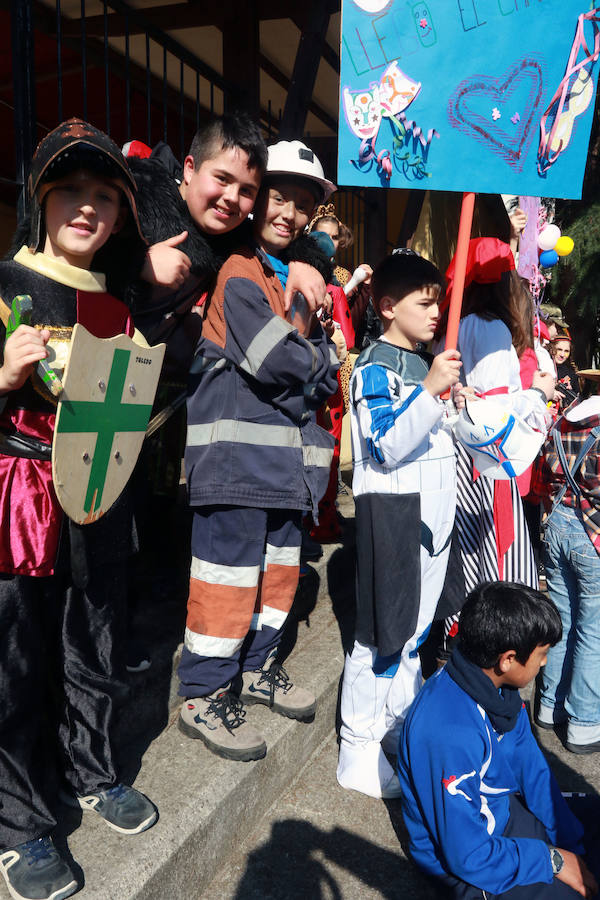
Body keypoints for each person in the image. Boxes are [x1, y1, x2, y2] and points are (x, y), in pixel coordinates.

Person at [0, 119, 158, 900]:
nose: (88, 208)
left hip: (98, 498)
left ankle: (91, 770)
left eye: (106, 197)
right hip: (19, 499)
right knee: (16, 662)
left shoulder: (117, 305)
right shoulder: (3, 285)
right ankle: (21, 823)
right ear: (41, 197)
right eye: (71, 191)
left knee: (94, 641)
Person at [176, 140, 339, 762]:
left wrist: (316, 360)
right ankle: (204, 692)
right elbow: (282, 362)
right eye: (279, 197)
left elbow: (321, 366)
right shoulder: (240, 273)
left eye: (303, 205)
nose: (290, 213)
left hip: (282, 474)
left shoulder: (291, 279)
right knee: (225, 581)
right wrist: (317, 358)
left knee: (277, 578)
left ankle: (256, 667)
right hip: (236, 468)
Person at [336, 250, 464, 799]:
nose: (436, 314)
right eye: (424, 302)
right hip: (394, 517)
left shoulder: (425, 364)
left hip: (434, 522)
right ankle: (359, 748)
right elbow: (386, 444)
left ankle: (396, 734)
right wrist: (431, 392)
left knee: (412, 639)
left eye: (438, 303)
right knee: (382, 639)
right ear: (388, 307)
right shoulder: (373, 367)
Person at [398, 581, 599, 899]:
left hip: (506, 811)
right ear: (507, 659)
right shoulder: (446, 733)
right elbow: (468, 856)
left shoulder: (498, 688)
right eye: (542, 654)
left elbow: (533, 772)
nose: (544, 663)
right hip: (474, 862)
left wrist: (571, 843)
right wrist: (554, 861)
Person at [435, 239, 554, 651]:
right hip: (485, 452)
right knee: (495, 552)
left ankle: (464, 633)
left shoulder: (455, 325)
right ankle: (491, 640)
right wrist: (534, 397)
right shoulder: (489, 326)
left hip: (461, 450)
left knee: (468, 549)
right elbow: (493, 403)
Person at [531, 370, 600, 753]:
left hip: (556, 525)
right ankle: (585, 723)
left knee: (561, 619)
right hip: (592, 535)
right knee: (593, 630)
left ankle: (549, 705)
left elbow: (543, 478)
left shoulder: (564, 418)